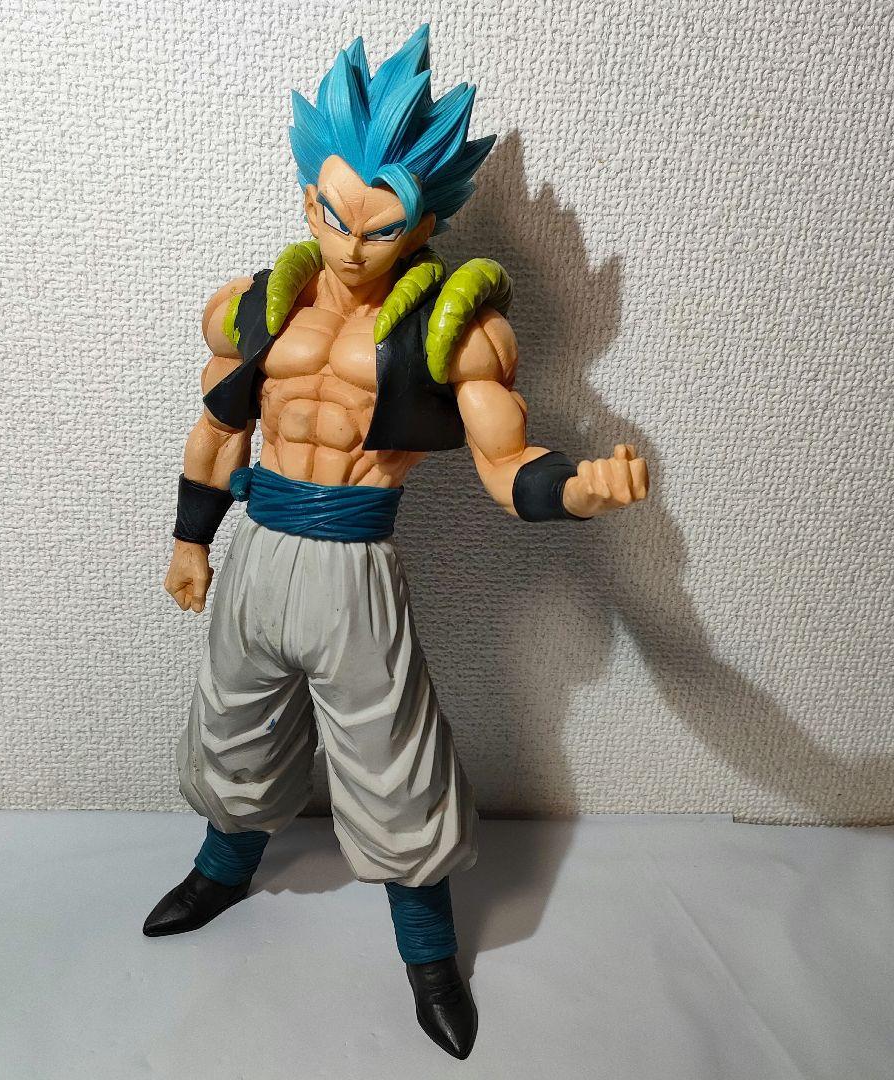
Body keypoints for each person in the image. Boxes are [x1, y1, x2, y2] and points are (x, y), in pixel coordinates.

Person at [142, 25, 649, 1059]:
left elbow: (508, 464)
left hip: (354, 565)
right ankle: (221, 869)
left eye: (380, 228)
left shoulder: (455, 333)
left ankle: (427, 953)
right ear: (308, 202)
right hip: (259, 550)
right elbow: (218, 431)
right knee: (235, 724)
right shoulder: (254, 311)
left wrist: (578, 492)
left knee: (393, 763)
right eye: (334, 216)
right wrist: (192, 541)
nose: (350, 246)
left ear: (422, 223)